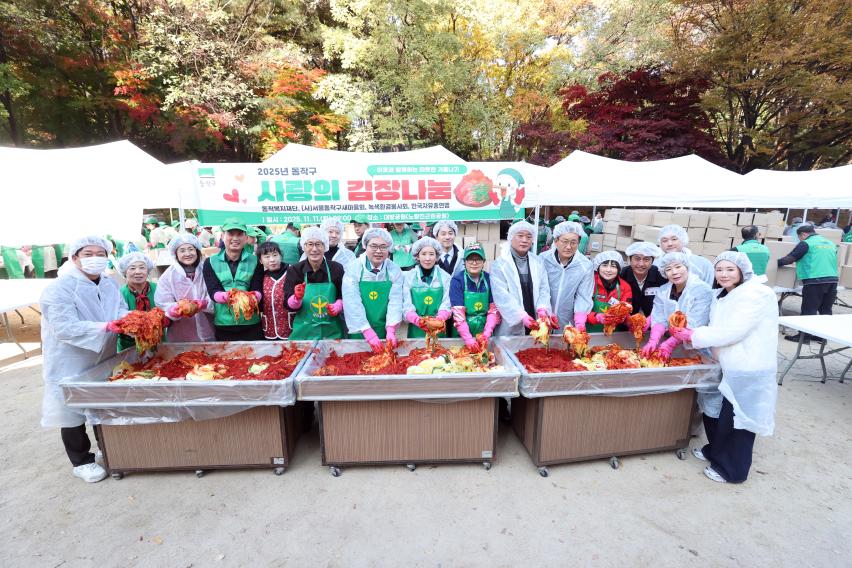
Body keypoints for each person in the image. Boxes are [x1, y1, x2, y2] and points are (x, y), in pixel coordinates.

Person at [669, 252, 778, 484]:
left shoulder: (755, 294)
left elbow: (733, 331)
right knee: (719, 412)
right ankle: (715, 451)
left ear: (742, 271)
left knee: (738, 420)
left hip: (748, 366)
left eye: (730, 269)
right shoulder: (724, 294)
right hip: (729, 363)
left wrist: (693, 335)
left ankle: (732, 471)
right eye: (719, 270)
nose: (724, 274)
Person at [39, 236, 128, 483]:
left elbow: (120, 310)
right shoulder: (59, 288)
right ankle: (81, 461)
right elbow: (64, 327)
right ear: (74, 257)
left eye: (101, 254)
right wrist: (105, 326)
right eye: (88, 254)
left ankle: (106, 448)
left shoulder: (109, 283)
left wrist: (131, 319)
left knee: (102, 401)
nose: (95, 259)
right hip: (70, 357)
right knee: (70, 408)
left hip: (103, 353)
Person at [641, 252, 713, 359]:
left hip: (696, 346)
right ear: (664, 273)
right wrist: (653, 341)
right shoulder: (663, 290)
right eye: (668, 269)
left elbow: (694, 323)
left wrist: (669, 344)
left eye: (678, 267)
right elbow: (659, 317)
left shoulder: (702, 290)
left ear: (687, 267)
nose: (674, 272)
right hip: (673, 343)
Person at [343, 227, 404, 350]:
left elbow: (396, 301)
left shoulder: (394, 270)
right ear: (365, 246)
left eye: (383, 247)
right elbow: (352, 302)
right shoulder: (354, 268)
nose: (378, 251)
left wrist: (391, 329)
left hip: (384, 328)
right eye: (374, 246)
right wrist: (367, 331)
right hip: (359, 329)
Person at [203, 218, 264, 341]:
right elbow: (213, 290)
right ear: (222, 236)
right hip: (223, 324)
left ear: (246, 238)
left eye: (240, 234)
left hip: (251, 323)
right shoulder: (210, 262)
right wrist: (226, 296)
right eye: (230, 234)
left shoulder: (256, 261)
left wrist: (254, 296)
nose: (235, 238)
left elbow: (257, 288)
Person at [491, 221, 554, 336]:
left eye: (529, 237)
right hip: (512, 322)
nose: (524, 240)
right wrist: (521, 316)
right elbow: (501, 296)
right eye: (520, 236)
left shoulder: (538, 262)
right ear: (511, 237)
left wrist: (542, 309)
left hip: (535, 318)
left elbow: (544, 289)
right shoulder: (499, 265)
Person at [777, 224, 839, 343]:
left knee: (809, 309)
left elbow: (790, 258)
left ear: (803, 234)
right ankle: (822, 336)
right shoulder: (830, 243)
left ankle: (804, 337)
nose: (800, 240)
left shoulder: (806, 243)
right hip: (833, 280)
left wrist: (773, 264)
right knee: (825, 310)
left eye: (799, 237)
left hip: (815, 280)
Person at [283, 227, 346, 340]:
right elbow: (287, 304)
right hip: (304, 332)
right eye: (310, 244)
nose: (314, 249)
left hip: (331, 332)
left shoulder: (336, 268)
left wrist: (338, 306)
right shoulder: (295, 270)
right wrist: (296, 299)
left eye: (318, 244)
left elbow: (344, 295)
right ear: (304, 247)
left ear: (325, 246)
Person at [154, 234, 215, 342]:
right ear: (176, 254)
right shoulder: (168, 276)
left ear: (197, 251)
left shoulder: (207, 269)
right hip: (181, 334)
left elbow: (216, 293)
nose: (187, 254)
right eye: (182, 250)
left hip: (208, 330)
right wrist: (175, 309)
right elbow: (162, 303)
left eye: (191, 249)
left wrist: (205, 303)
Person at [539, 221, 594, 331]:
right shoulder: (543, 259)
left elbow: (583, 295)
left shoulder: (585, 265)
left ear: (579, 243)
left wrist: (580, 318)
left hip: (567, 320)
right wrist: (543, 310)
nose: (568, 247)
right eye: (565, 241)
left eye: (573, 242)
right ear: (556, 241)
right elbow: (539, 288)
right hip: (542, 316)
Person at [449, 243, 500, 349]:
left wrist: (486, 334)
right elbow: (458, 314)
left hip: (484, 329)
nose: (474, 263)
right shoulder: (457, 280)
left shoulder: (489, 279)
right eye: (470, 259)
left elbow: (493, 310)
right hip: (462, 333)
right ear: (464, 262)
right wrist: (468, 339)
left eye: (478, 259)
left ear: (484, 262)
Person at [402, 237, 452, 339]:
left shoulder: (445, 277)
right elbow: (406, 304)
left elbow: (447, 303)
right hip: (416, 329)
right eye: (423, 254)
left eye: (431, 254)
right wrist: (417, 320)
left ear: (436, 256)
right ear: (417, 256)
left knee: (439, 349)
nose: (427, 258)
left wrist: (440, 318)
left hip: (438, 329)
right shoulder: (409, 277)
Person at [574, 250, 632, 333]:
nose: (608, 270)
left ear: (619, 269)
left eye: (613, 266)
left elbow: (625, 311)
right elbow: (580, 308)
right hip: (588, 331)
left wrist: (624, 318)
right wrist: (597, 317)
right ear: (598, 267)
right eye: (604, 265)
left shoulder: (625, 287)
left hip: (612, 334)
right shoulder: (590, 282)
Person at [116, 252, 158, 352]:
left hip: (157, 342)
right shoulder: (119, 294)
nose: (138, 272)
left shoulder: (158, 289)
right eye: (132, 268)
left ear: (148, 271)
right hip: (128, 346)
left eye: (142, 267)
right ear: (125, 272)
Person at [254, 241, 292, 340]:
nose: (272, 260)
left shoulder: (292, 272)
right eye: (267, 257)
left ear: (281, 256)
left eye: (275, 255)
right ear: (260, 260)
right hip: (269, 330)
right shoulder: (261, 276)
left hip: (290, 328)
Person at [621, 241, 666, 317]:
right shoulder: (622, 275)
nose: (641, 264)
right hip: (627, 320)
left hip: (654, 320)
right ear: (630, 260)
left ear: (652, 261)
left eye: (646, 259)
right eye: (637, 259)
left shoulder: (660, 276)